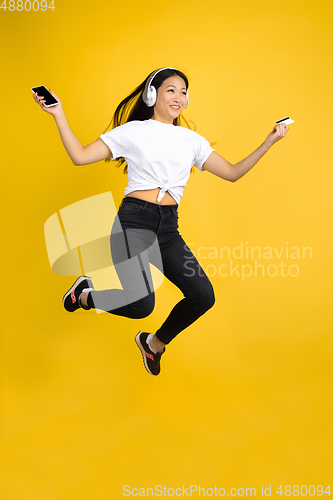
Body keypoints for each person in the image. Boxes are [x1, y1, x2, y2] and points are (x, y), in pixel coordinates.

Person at [33, 67, 289, 376]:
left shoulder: (192, 140)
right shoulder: (133, 131)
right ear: (152, 95)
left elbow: (233, 173)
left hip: (168, 228)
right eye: (171, 90)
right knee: (142, 306)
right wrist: (58, 113)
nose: (179, 97)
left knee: (202, 296)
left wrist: (269, 142)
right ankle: (85, 294)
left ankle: (153, 344)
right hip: (134, 222)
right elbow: (80, 155)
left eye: (183, 92)